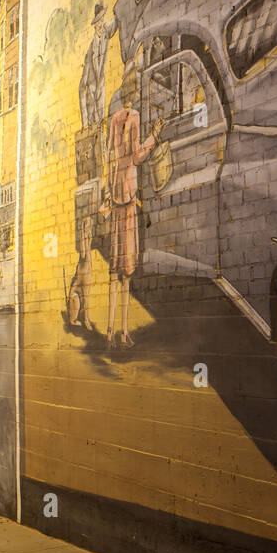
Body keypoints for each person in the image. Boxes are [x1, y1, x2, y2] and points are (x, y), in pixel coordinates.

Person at [105, 65, 163, 349]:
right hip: (128, 198)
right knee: (127, 272)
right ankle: (124, 332)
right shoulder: (135, 117)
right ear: (135, 90)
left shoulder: (114, 119)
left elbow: (109, 156)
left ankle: (108, 330)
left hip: (115, 196)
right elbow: (137, 155)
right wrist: (154, 137)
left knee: (114, 272)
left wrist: (107, 192)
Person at [79, 1, 118, 128]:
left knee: (101, 124)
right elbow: (82, 87)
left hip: (101, 92)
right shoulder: (90, 51)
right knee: (93, 128)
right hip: (91, 96)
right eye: (98, 22)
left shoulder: (106, 32)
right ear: (94, 24)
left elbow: (117, 19)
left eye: (102, 20)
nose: (100, 24)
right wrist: (84, 121)